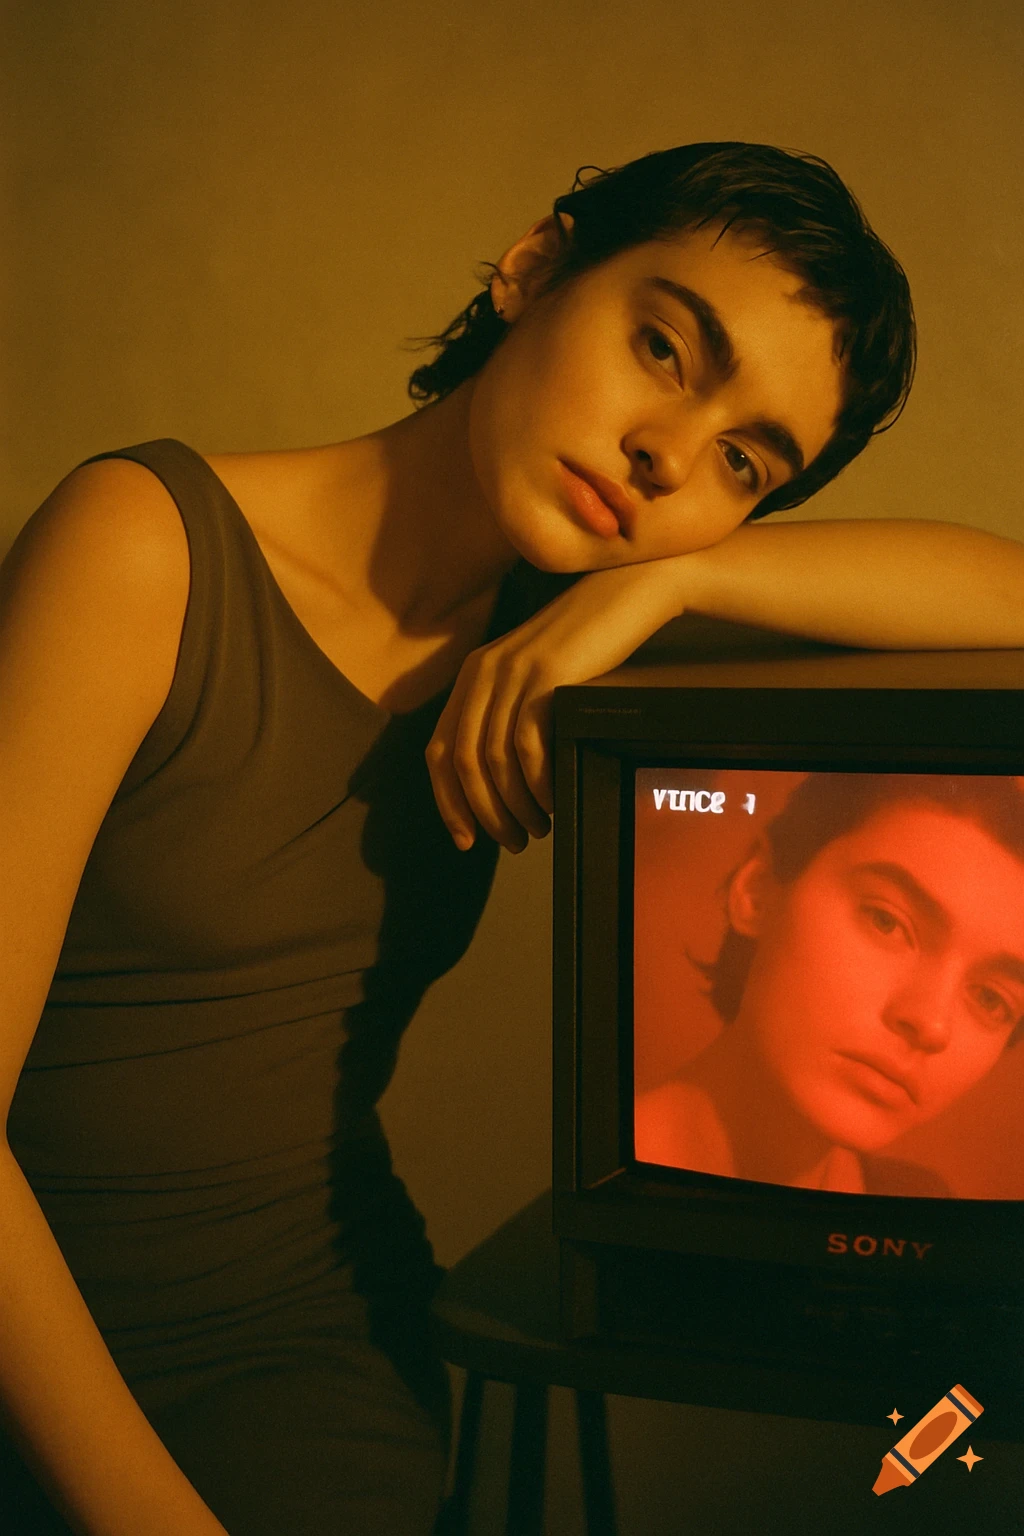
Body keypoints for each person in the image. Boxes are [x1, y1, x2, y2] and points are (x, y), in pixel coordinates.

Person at [2, 139, 1024, 1534]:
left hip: (301, 1337)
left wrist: (688, 579)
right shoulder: (145, 547)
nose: (667, 453)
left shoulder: (557, 642)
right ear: (535, 270)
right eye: (664, 347)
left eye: (742, 460)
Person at [635, 774, 1024, 1197]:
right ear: (758, 890)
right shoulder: (589, 1189)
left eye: (991, 998)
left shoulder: (919, 1203)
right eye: (886, 921)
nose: (931, 1026)